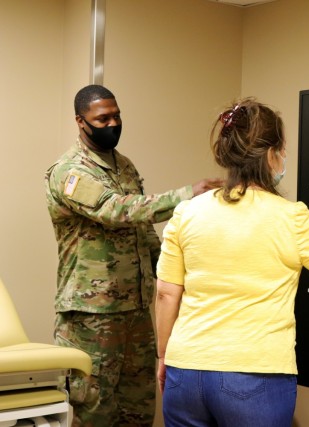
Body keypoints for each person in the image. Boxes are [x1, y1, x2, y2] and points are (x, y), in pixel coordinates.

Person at [155, 97, 309, 427]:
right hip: (254, 375)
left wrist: (164, 355)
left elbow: (167, 294)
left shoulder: (187, 212)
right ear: (272, 154)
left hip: (187, 371)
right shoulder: (292, 218)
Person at [44, 84, 220, 427]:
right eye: (103, 118)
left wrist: (176, 277)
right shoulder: (69, 171)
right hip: (92, 316)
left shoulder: (124, 166)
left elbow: (142, 230)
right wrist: (187, 195)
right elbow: (115, 210)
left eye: (117, 115)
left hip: (137, 311)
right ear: (81, 122)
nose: (113, 123)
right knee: (94, 409)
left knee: (137, 409)